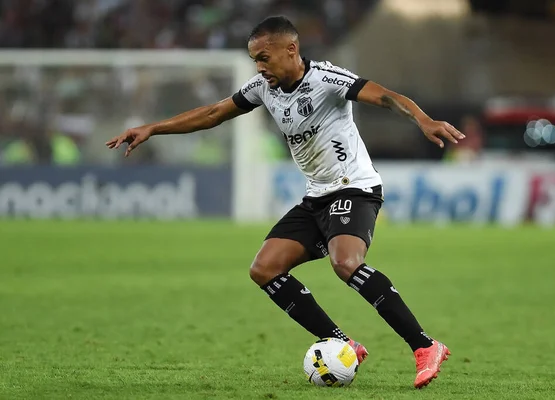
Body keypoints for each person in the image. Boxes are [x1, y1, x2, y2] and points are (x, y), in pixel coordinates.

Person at [106, 16, 464, 389]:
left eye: (264, 57)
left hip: (354, 189)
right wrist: (153, 128)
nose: (260, 67)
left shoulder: (326, 80)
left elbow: (387, 96)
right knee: (264, 269)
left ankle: (424, 346)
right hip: (316, 196)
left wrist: (422, 120)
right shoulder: (263, 87)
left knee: (345, 263)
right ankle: (341, 343)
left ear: (291, 49)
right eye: (254, 60)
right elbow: (213, 113)